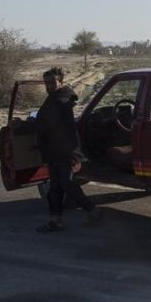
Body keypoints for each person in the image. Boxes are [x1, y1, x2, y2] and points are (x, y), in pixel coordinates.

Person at [34, 67, 100, 232]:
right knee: (55, 186)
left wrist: (24, 125)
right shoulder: (55, 98)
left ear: (61, 82)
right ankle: (56, 220)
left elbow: (48, 124)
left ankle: (92, 210)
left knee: (67, 184)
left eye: (52, 82)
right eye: (46, 83)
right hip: (55, 151)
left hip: (66, 151)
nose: (49, 85)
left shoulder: (60, 101)